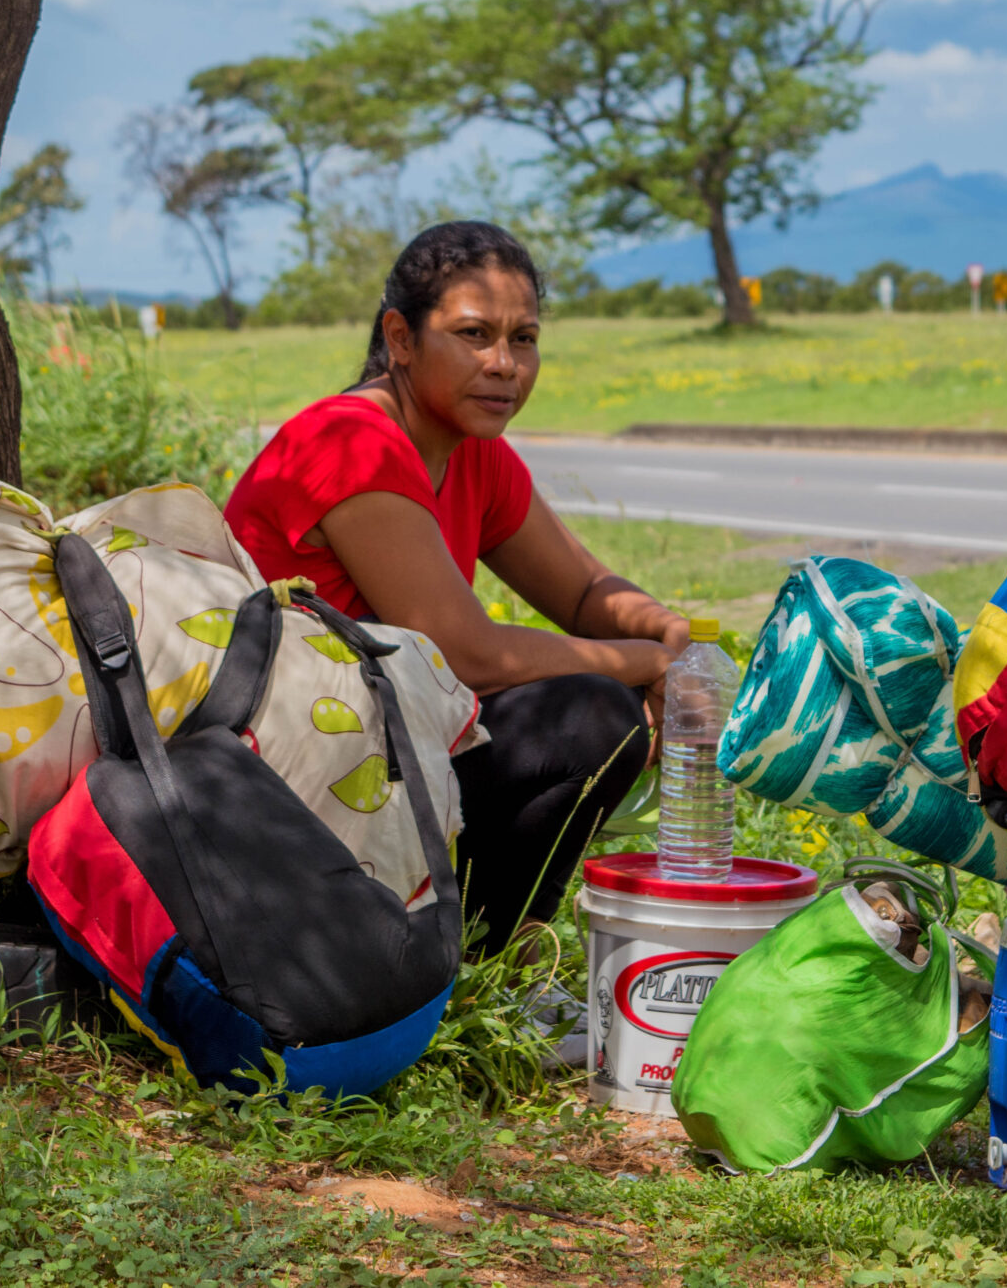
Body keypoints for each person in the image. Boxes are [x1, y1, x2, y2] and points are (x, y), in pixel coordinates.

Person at [223, 221, 685, 961]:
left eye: (524, 338)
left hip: (381, 753)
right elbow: (468, 654)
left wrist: (667, 634)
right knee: (593, 716)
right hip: (279, 779)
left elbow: (585, 589)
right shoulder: (348, 441)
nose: (504, 364)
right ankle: (481, 961)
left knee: (598, 703)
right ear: (400, 338)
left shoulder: (475, 454)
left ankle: (476, 953)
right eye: (474, 334)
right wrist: (643, 666)